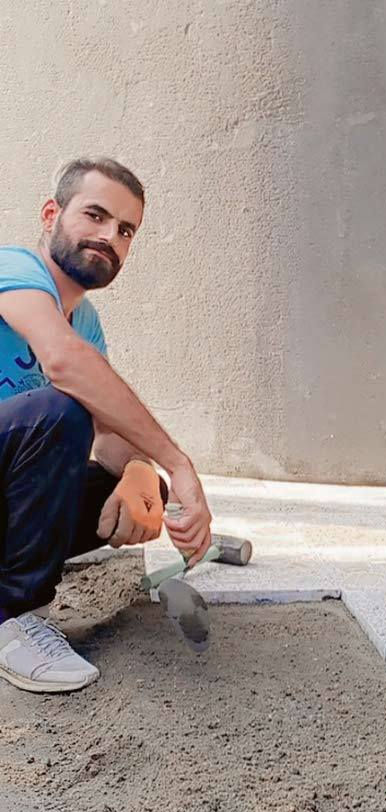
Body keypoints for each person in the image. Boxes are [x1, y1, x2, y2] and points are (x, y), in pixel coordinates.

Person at [0, 157, 212, 693]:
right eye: (95, 216)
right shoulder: (12, 268)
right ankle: (11, 618)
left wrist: (142, 470)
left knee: (138, 485)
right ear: (51, 215)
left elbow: (106, 430)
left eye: (125, 230)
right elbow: (64, 365)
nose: (109, 237)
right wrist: (178, 462)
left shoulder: (87, 324)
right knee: (60, 412)